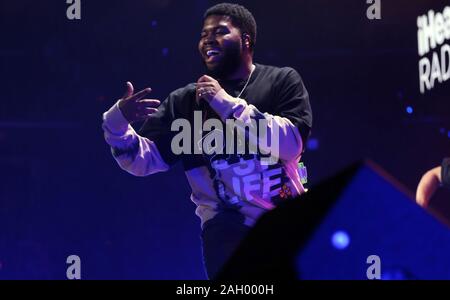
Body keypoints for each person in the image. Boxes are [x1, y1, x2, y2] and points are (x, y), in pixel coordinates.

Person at [102, 3, 312, 279]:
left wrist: (225, 103)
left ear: (246, 40)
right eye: (204, 34)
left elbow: (292, 144)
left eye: (221, 31)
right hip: (226, 230)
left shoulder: (281, 80)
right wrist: (117, 122)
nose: (208, 39)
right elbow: (144, 161)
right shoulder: (184, 102)